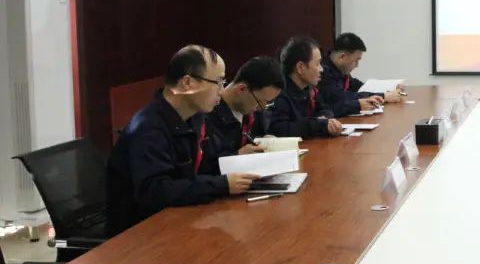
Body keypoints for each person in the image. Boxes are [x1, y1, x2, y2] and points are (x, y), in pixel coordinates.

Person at [106, 45, 259, 236]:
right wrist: (221, 184)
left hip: (181, 218)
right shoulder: (148, 128)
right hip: (140, 235)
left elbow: (208, 163)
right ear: (187, 83)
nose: (221, 92)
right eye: (218, 82)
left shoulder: (195, 117)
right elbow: (156, 191)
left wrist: (240, 161)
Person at [266, 36, 344, 138]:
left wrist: (324, 120)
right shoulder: (279, 93)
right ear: (300, 67)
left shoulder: (310, 89)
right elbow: (280, 130)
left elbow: (326, 109)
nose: (321, 69)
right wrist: (317, 124)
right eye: (317, 63)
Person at [205, 56, 284, 155]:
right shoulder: (208, 114)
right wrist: (238, 155)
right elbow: (206, 162)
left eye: (268, 102)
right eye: (261, 101)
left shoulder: (251, 112)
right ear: (241, 89)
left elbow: (254, 137)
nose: (263, 108)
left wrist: (263, 141)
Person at [319, 32, 404, 117]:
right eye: (356, 60)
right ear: (342, 57)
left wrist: (390, 88)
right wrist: (383, 96)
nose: (357, 65)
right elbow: (342, 97)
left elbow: (357, 86)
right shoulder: (323, 72)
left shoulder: (339, 69)